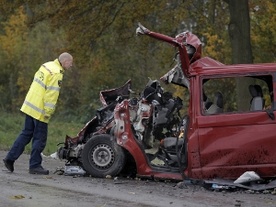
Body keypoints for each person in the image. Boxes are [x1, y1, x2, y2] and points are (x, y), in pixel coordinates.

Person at [3, 52, 73, 175]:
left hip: (30, 105)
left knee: (25, 134)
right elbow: (51, 94)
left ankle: (10, 158)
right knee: (40, 139)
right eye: (70, 63)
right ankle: (35, 166)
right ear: (65, 62)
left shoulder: (46, 65)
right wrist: (48, 112)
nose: (71, 66)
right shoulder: (57, 73)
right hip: (40, 110)